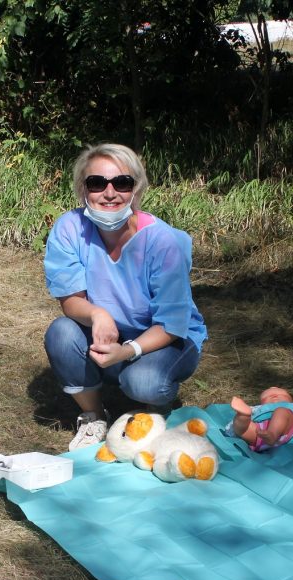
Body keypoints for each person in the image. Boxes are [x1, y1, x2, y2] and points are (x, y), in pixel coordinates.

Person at [43, 143, 206, 451]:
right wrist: (98, 314)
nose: (109, 192)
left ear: (136, 189)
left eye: (122, 182)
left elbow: (172, 324)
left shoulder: (164, 241)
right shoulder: (69, 228)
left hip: (166, 338)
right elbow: (70, 300)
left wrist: (127, 351)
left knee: (143, 383)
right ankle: (94, 416)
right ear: (82, 189)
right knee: (61, 333)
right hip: (107, 334)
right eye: (97, 183)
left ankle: (151, 407)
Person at [226, 387, 293, 452]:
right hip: (259, 433)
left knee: (281, 412)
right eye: (267, 396)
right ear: (261, 403)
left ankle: (272, 434)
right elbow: (234, 427)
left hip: (288, 431)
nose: (274, 395)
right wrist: (240, 422)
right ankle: (243, 415)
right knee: (244, 426)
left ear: (291, 400)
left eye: (281, 394)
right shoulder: (256, 409)